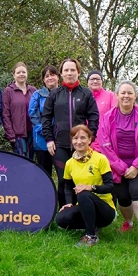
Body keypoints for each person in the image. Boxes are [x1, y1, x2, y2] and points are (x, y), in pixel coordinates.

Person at [97, 81, 138, 247]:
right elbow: (105, 145)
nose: (126, 96)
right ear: (117, 95)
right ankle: (128, 223)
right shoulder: (108, 117)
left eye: (130, 93)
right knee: (123, 196)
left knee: (136, 191)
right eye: (122, 93)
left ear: (135, 96)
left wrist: (136, 166)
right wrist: (121, 167)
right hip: (118, 165)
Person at [41, 58, 98, 207]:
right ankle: (65, 211)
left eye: (72, 70)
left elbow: (94, 116)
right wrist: (49, 139)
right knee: (63, 179)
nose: (69, 73)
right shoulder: (54, 94)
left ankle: (82, 211)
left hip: (81, 145)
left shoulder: (86, 93)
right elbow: (46, 117)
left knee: (81, 180)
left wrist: (90, 137)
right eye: (66, 70)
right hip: (60, 145)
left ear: (78, 72)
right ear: (61, 73)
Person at [55, 125, 116, 246]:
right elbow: (67, 186)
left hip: (105, 210)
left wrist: (91, 187)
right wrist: (68, 202)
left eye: (83, 138)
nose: (79, 141)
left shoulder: (100, 159)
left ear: (90, 139)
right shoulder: (69, 163)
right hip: (84, 206)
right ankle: (92, 225)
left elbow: (110, 186)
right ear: (71, 141)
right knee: (60, 219)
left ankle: (91, 235)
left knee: (82, 193)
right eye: (75, 138)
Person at [28, 65, 59, 176]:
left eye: (52, 75)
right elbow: (33, 115)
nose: (50, 78)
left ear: (58, 77)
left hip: (61, 138)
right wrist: (46, 132)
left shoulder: (65, 94)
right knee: (44, 173)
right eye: (47, 76)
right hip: (41, 139)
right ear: (43, 80)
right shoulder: (37, 95)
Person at [2, 62, 36, 157]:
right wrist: (10, 134)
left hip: (32, 133)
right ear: (14, 75)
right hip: (17, 134)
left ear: (27, 74)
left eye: (23, 72)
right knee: (22, 159)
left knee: (31, 160)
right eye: (18, 72)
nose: (21, 74)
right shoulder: (8, 91)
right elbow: (5, 114)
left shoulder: (33, 90)